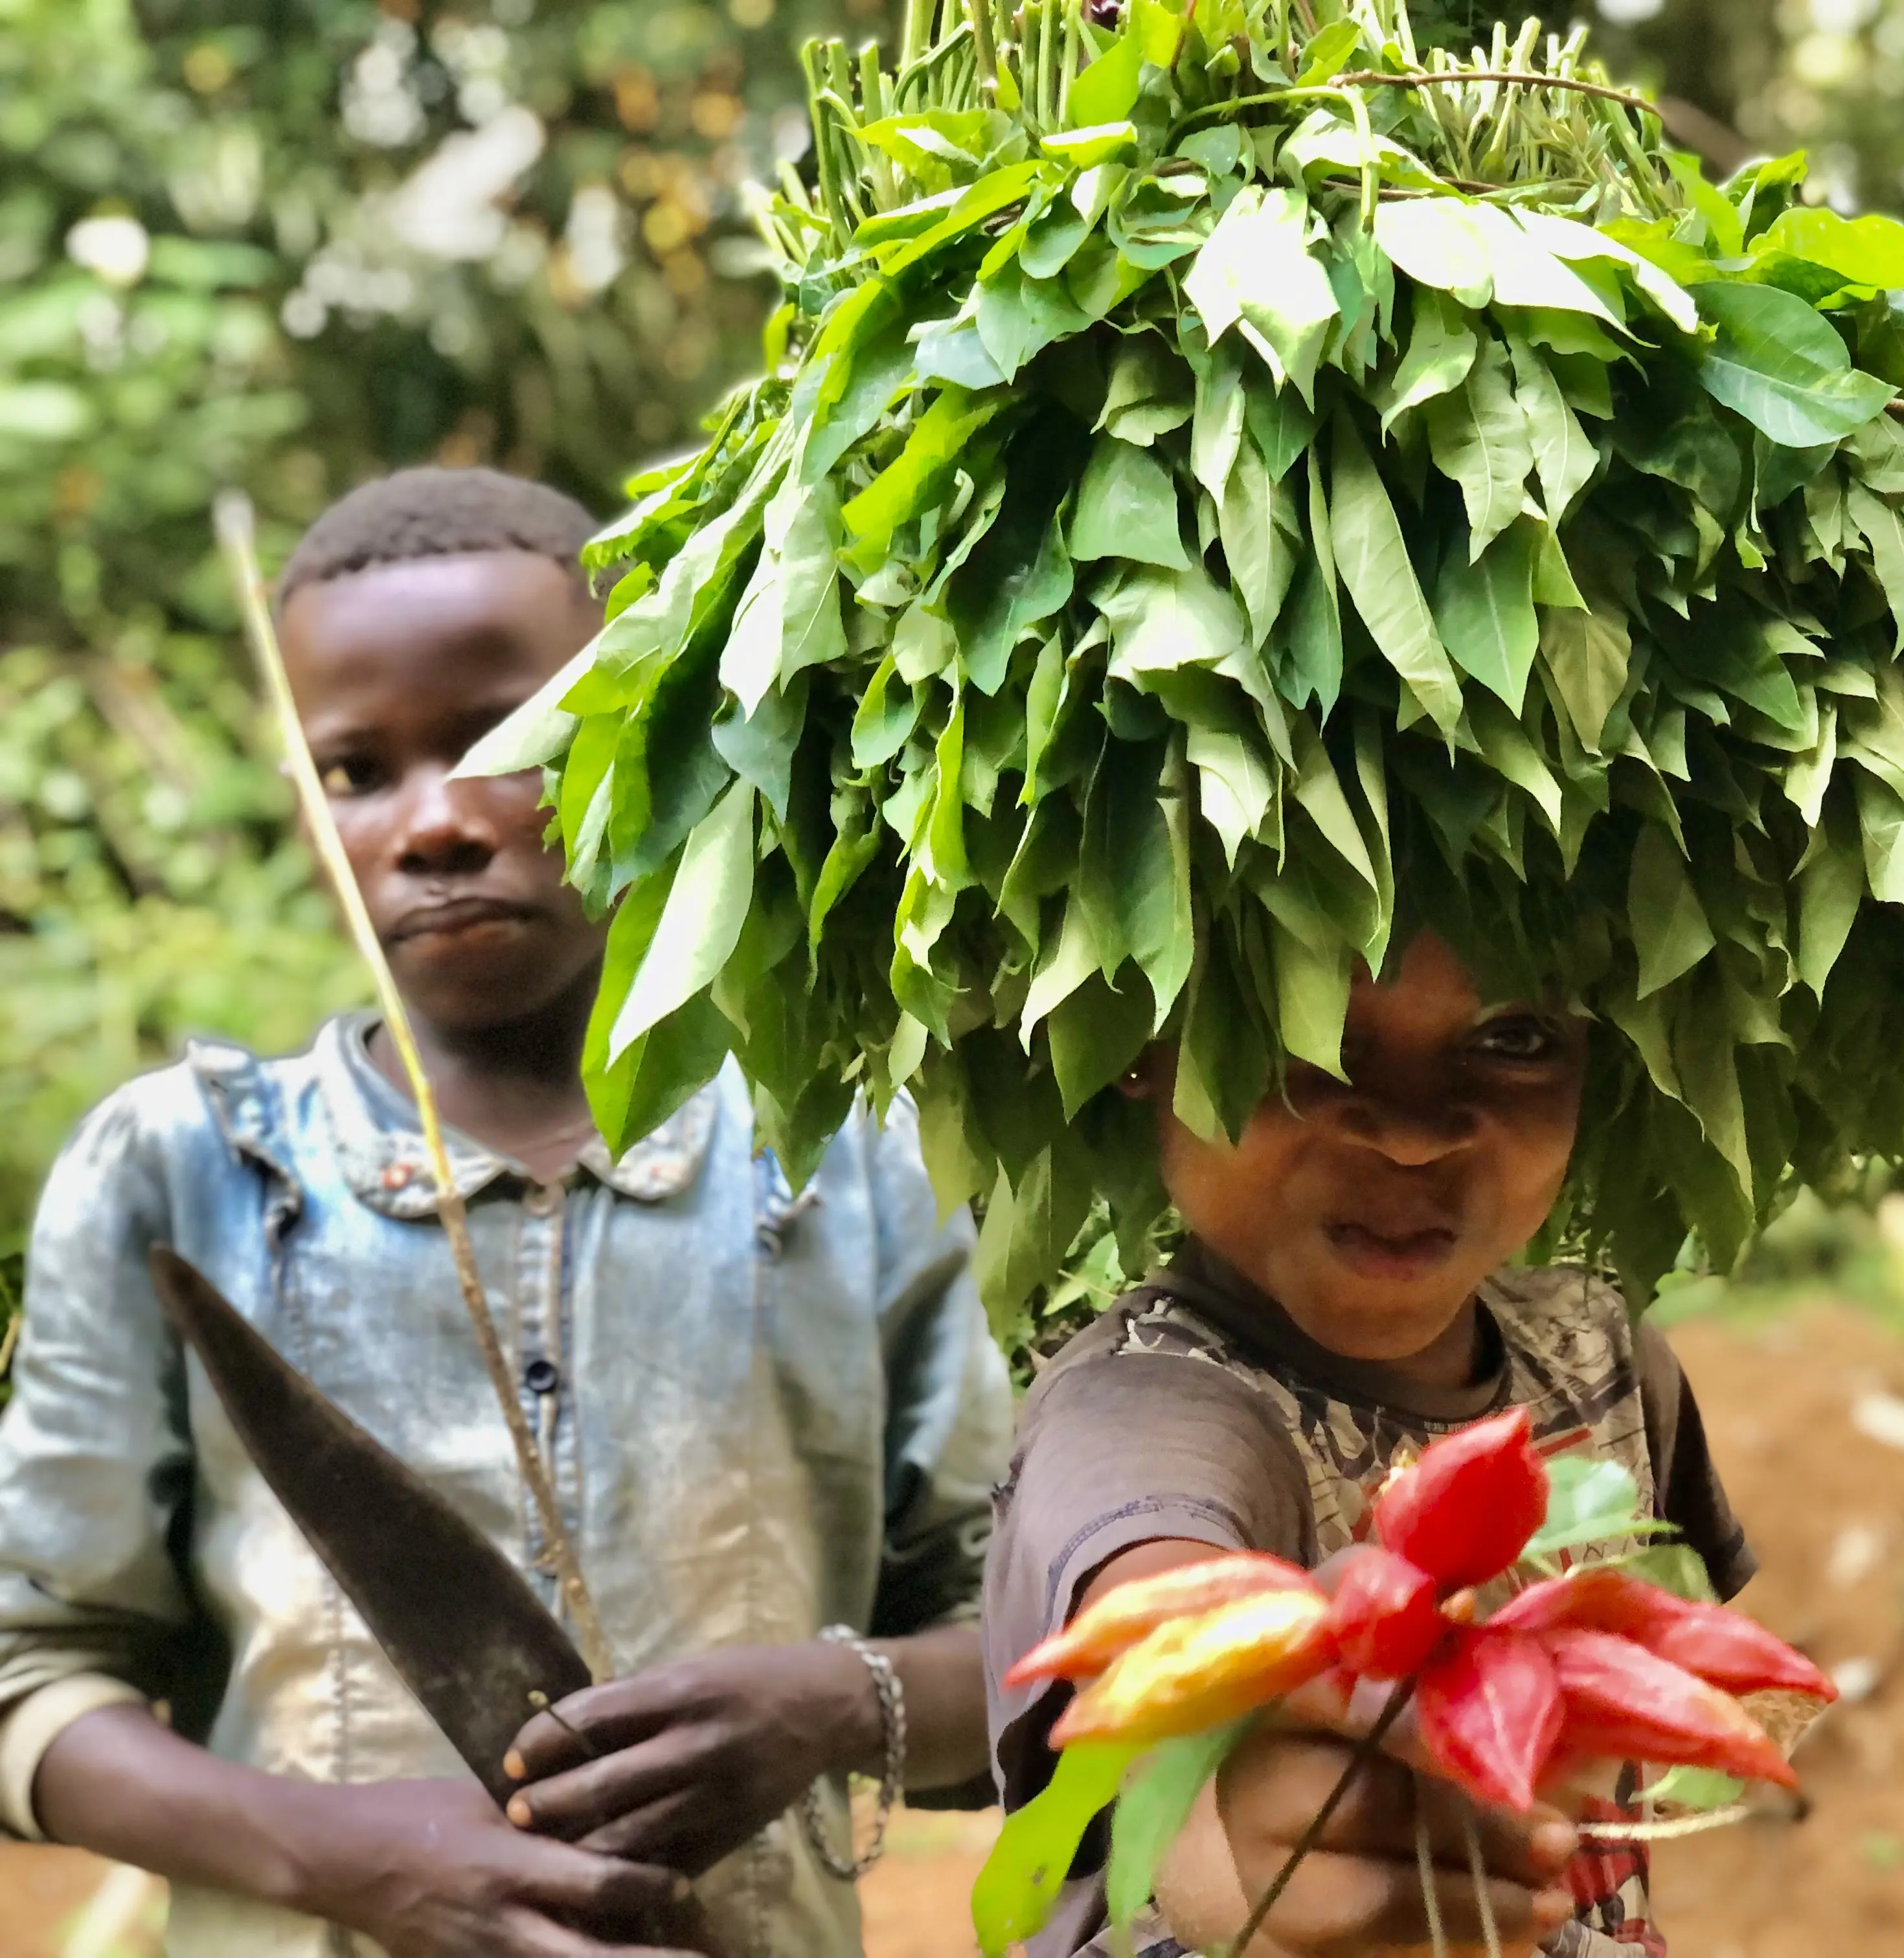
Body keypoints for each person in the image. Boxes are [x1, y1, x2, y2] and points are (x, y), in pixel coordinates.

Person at [0, 468, 1014, 1958]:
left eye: (501, 744)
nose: (432, 825)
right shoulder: (176, 1172)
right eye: (358, 771)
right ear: (307, 810)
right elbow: (28, 1671)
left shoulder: (845, 1165)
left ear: (652, 741)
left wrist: (827, 1705)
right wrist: (337, 1854)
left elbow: (1046, 1666)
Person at [983, 930, 1758, 1958]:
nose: (1409, 1133)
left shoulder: (1600, 1354)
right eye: (1303, 1028)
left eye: (1514, 1036)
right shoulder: (1138, 1409)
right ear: (1139, 1044)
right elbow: (1154, 1639)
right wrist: (1256, 1855)